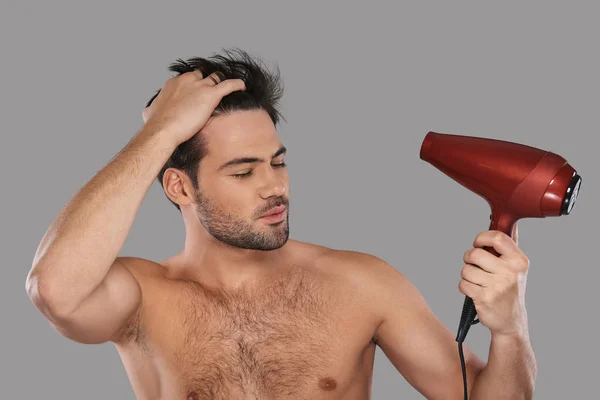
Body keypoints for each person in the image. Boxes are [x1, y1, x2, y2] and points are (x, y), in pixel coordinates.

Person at [26, 48, 537, 400]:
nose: (274, 186)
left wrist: (510, 330)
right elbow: (54, 290)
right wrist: (161, 132)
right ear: (179, 187)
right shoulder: (142, 296)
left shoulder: (361, 284)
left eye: (278, 161)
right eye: (243, 171)